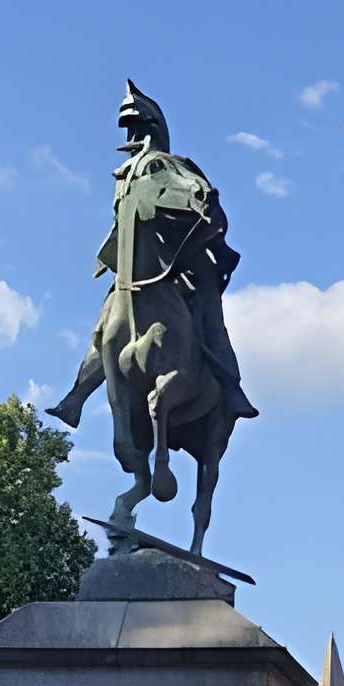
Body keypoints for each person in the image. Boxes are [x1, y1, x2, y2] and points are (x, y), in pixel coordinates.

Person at [50, 81, 257, 427]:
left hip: (181, 263)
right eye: (129, 129)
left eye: (138, 128)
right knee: (104, 327)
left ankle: (231, 387)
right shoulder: (123, 177)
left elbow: (200, 195)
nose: (133, 136)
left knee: (209, 310)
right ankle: (76, 397)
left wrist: (199, 200)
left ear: (153, 129)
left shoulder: (172, 165)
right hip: (135, 264)